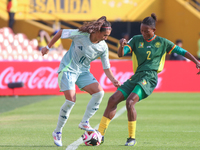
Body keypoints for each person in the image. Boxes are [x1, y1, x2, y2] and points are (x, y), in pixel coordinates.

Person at [98, 13, 200, 146]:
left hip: (150, 78)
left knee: (130, 102)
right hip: (136, 77)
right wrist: (122, 45)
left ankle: (131, 138)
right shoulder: (136, 40)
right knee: (112, 99)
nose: (143, 33)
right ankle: (100, 134)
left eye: (146, 31)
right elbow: (121, 54)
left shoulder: (163, 42)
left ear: (154, 30)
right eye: (141, 30)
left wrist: (196, 61)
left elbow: (182, 51)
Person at [41, 16, 121, 147]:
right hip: (68, 69)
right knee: (70, 101)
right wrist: (48, 47)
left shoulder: (103, 47)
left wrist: (114, 80)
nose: (106, 38)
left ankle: (85, 121)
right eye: (105, 35)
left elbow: (106, 68)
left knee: (99, 93)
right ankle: (57, 131)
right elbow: (60, 32)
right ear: (98, 31)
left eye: (108, 35)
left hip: (83, 72)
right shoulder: (81, 35)